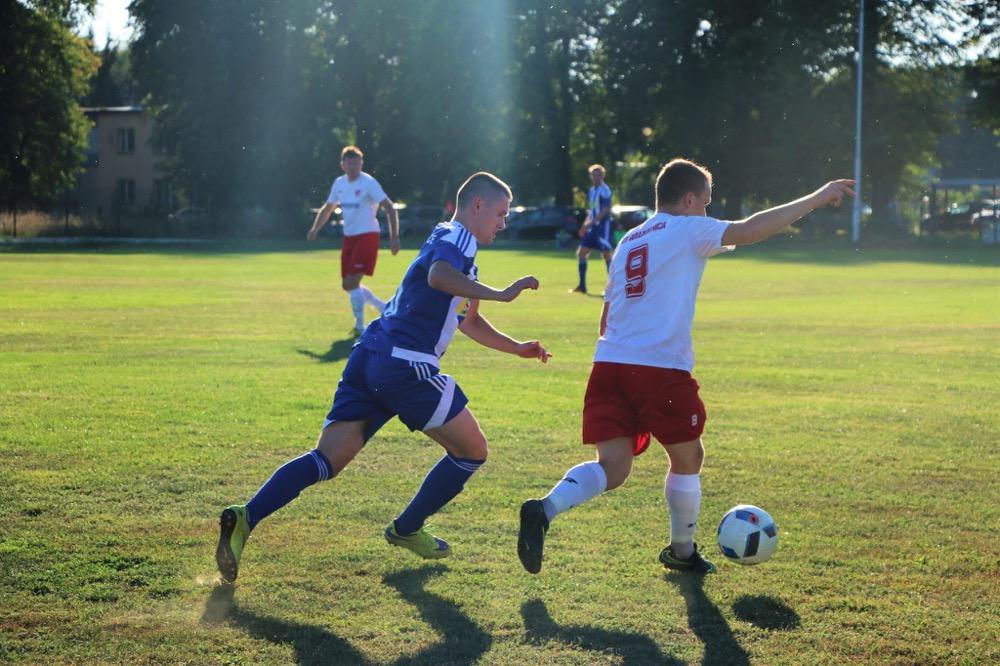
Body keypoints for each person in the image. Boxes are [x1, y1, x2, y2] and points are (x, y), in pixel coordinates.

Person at [518, 158, 854, 575]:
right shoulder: (688, 228)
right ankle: (682, 552)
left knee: (614, 467)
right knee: (689, 456)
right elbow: (751, 229)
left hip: (608, 364)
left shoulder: (629, 240)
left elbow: (606, 318)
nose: (708, 211)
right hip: (658, 368)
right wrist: (818, 197)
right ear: (690, 199)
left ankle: (544, 509)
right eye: (706, 202)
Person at [217, 172, 551, 582]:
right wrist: (501, 292)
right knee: (472, 450)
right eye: (500, 213)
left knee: (327, 459)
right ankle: (407, 528)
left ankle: (245, 517)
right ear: (477, 205)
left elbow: (468, 321)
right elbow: (439, 276)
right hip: (406, 365)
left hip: (370, 356)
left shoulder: (453, 246)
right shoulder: (459, 238)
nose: (503, 223)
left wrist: (517, 347)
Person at [308, 145, 400, 336]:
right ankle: (383, 308)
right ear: (342, 165)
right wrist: (315, 228)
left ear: (361, 163)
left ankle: (360, 327)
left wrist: (394, 237)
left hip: (367, 236)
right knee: (347, 285)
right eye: (349, 163)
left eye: (356, 163)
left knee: (352, 282)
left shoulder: (369, 183)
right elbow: (328, 208)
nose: (353, 167)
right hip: (349, 238)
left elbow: (390, 208)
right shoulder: (339, 183)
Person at [572, 164, 613, 294]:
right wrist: (585, 225)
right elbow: (592, 211)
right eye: (593, 175)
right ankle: (582, 286)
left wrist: (591, 223)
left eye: (598, 175)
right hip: (592, 228)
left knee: (607, 255)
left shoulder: (605, 190)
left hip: (602, 227)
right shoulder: (591, 191)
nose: (596, 177)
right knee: (582, 253)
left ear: (602, 176)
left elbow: (605, 210)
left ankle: (613, 288)